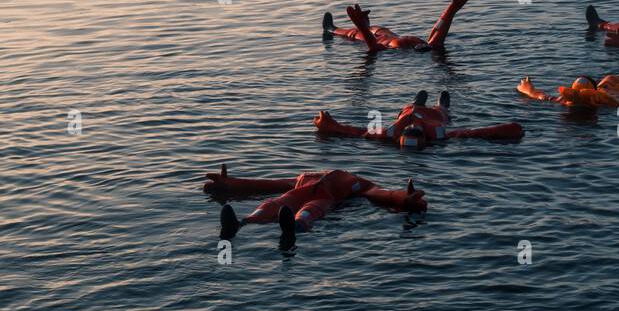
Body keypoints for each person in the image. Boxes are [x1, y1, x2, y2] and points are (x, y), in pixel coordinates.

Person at [204, 164, 426, 246]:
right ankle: (242, 222)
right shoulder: (305, 177)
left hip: (324, 198)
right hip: (298, 194)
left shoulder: (357, 182)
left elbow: (378, 193)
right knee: (273, 204)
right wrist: (231, 184)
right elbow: (272, 184)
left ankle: (293, 226)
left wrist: (402, 198)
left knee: (307, 210)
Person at [314, 90, 524, 148]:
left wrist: (331, 125)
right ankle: (440, 101)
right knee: (443, 106)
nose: (413, 124)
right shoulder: (439, 134)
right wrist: (511, 128)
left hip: (410, 108)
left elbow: (358, 133)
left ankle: (419, 100)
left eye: (410, 127)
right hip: (437, 115)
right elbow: (478, 133)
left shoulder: (390, 134)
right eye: (416, 128)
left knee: (413, 106)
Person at [323, 0, 470, 52]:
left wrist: (360, 25)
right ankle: (364, 25)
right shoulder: (429, 45)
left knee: (355, 33)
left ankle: (331, 29)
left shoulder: (400, 49)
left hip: (380, 39)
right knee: (376, 29)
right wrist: (450, 11)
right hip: (388, 34)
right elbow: (437, 31)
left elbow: (373, 46)